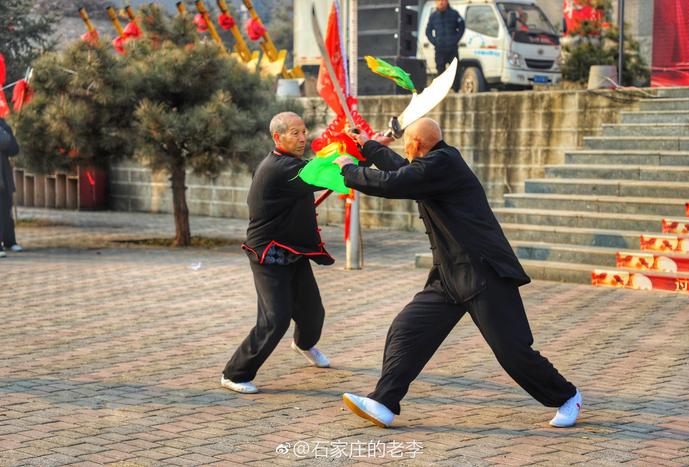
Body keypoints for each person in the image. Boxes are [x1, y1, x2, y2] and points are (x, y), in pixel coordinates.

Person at [333, 118, 581, 428]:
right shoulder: (432, 164)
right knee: (407, 329)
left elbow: (394, 182)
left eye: (407, 143)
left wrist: (348, 169)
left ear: (417, 145)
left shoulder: (444, 163)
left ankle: (567, 396)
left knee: (512, 352)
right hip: (448, 276)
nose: (404, 149)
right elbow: (401, 171)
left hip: (483, 272)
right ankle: (384, 401)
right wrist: (367, 146)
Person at [221, 112, 333, 394]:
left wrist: (366, 147)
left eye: (303, 131)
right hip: (268, 253)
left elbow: (322, 168)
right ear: (277, 137)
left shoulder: (293, 164)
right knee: (276, 318)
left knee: (312, 313)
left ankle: (304, 344)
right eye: (294, 133)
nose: (302, 138)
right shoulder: (278, 167)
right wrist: (347, 161)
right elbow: (325, 174)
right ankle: (235, 373)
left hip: (292, 250)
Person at [425, 0, 465, 92]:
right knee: (440, 70)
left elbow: (462, 27)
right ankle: (441, 91)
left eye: (442, 1)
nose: (440, 3)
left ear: (446, 2)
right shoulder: (433, 16)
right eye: (438, 1)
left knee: (454, 69)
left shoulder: (454, 14)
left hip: (452, 48)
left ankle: (455, 90)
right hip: (440, 49)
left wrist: (455, 39)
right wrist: (435, 41)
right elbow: (428, 32)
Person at [0, 117, 21, 257]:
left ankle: (9, 241)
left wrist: (5, 133)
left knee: (5, 210)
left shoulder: (3, 125)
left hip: (3, 175)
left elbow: (14, 149)